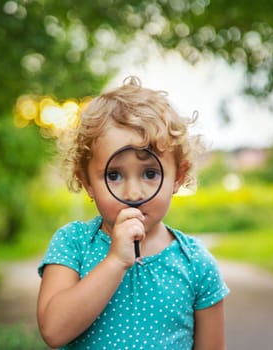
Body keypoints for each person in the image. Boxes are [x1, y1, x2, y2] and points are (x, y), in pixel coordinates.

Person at [37, 76, 230, 349]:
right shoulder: (73, 244)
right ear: (87, 182)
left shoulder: (196, 264)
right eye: (114, 175)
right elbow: (53, 331)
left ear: (178, 177)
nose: (133, 193)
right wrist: (115, 261)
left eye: (150, 173)